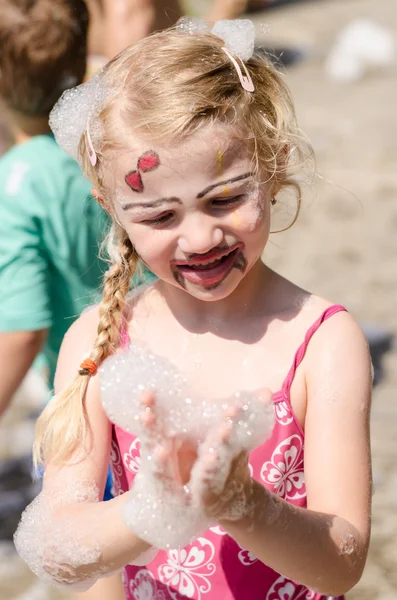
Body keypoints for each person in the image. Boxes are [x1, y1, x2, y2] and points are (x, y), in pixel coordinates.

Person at [16, 19, 372, 600]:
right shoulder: (99, 343)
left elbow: (342, 563)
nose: (200, 237)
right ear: (111, 206)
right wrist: (152, 507)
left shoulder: (323, 343)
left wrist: (245, 505)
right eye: (160, 216)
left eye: (226, 198)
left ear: (274, 166)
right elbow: (60, 547)